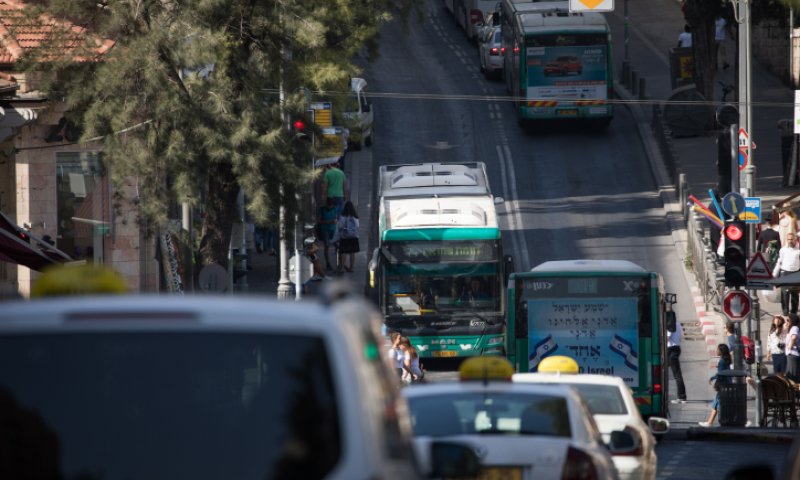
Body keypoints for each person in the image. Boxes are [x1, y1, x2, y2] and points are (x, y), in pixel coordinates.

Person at [699, 343, 732, 427]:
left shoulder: (722, 361)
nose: (716, 351)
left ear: (721, 351)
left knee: (718, 404)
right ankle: (709, 422)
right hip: (727, 384)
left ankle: (713, 422)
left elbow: (720, 374)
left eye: (718, 349)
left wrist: (712, 378)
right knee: (716, 404)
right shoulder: (726, 359)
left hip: (723, 385)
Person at [773, 232, 800, 314]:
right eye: (788, 239)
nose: (790, 241)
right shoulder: (783, 250)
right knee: (785, 295)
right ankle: (785, 312)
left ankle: (794, 313)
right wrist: (774, 274)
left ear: (795, 240)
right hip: (785, 273)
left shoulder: (798, 251)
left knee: (795, 295)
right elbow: (779, 262)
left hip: (795, 273)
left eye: (791, 239)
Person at [334, 201, 360, 274]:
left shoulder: (343, 216)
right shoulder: (355, 216)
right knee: (352, 253)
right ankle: (351, 268)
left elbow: (340, 226)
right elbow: (357, 226)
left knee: (343, 252)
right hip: (354, 237)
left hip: (345, 237)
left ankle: (342, 268)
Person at [667, 319, 687, 403]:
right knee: (677, 374)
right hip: (676, 348)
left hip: (671, 350)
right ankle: (681, 396)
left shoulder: (670, 324)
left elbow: (667, 338)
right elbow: (680, 337)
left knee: (677, 375)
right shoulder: (678, 323)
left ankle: (681, 397)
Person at [316, 197, 339, 271]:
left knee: (337, 244)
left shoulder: (334, 209)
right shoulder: (322, 209)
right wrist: (328, 222)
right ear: (327, 204)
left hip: (333, 229)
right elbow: (318, 221)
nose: (330, 207)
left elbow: (336, 218)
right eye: (329, 205)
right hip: (325, 230)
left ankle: (339, 262)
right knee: (327, 246)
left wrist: (335, 221)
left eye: (332, 205)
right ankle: (328, 263)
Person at [785, 314, 800, 382]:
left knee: (792, 377)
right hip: (791, 355)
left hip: (793, 355)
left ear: (792, 321)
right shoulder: (792, 328)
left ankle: (795, 392)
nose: (786, 322)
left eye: (788, 320)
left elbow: (794, 337)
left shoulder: (794, 328)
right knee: (790, 376)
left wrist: (790, 346)